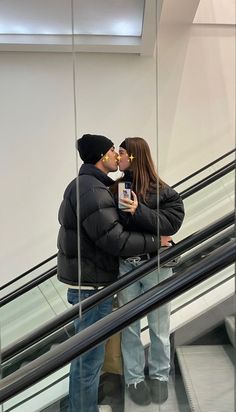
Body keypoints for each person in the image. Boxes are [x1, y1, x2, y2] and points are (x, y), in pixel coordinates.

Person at [57, 134, 161, 412]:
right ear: (102, 157)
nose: (117, 155)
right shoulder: (92, 190)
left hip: (89, 283)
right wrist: (156, 242)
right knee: (89, 362)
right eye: (113, 150)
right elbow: (114, 240)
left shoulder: (90, 186)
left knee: (84, 359)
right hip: (93, 287)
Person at [114, 137, 185, 406]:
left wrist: (139, 211)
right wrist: (152, 230)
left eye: (121, 152)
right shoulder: (119, 188)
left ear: (133, 156)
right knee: (129, 328)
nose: (117, 157)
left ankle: (159, 376)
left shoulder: (162, 190)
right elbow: (121, 228)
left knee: (159, 326)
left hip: (156, 266)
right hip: (127, 267)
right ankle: (133, 378)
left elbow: (172, 223)